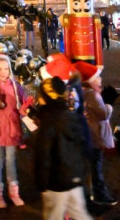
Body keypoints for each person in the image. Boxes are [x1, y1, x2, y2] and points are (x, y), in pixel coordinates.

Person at [33, 75, 93, 220]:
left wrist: (42, 183)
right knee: (80, 214)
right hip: (74, 176)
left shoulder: (48, 122)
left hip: (56, 180)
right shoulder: (71, 116)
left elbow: (43, 155)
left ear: (44, 97)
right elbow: (84, 145)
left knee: (54, 215)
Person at [0, 53, 33, 208]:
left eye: (6, 68)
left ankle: (14, 193)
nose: (4, 72)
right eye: (0, 69)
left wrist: (25, 108)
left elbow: (21, 106)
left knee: (11, 160)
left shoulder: (16, 87)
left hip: (12, 129)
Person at [74, 61, 117, 206]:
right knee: (96, 167)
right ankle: (99, 195)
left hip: (86, 134)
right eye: (97, 77)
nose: (100, 80)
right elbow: (104, 114)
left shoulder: (80, 91)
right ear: (91, 80)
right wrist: (109, 104)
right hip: (95, 135)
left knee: (90, 166)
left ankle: (90, 194)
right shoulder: (93, 95)